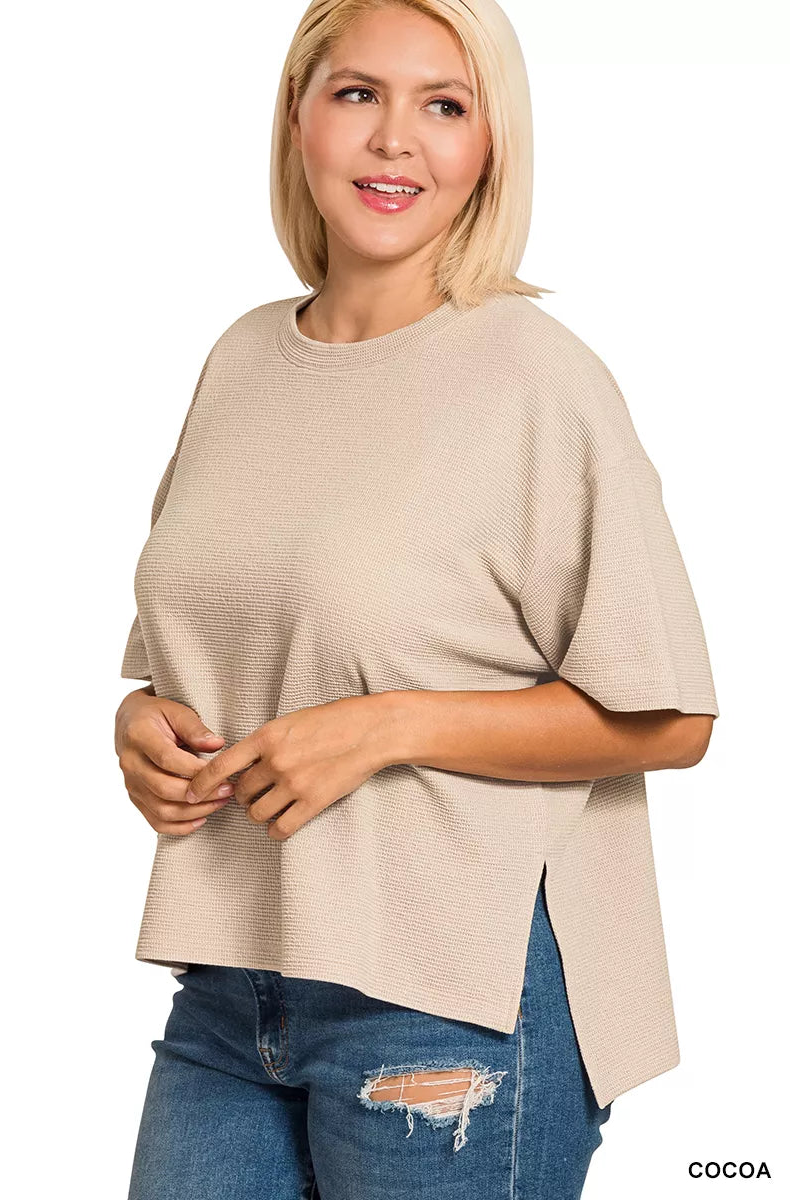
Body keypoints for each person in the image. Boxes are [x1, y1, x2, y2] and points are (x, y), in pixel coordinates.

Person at [116, 2, 719, 1196]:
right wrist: (143, 726)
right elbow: (201, 650)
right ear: (298, 116)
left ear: (488, 147)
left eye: (443, 104)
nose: (394, 138)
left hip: (451, 991)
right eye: (357, 93)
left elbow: (672, 718)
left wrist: (385, 726)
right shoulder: (243, 358)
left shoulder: (536, 379)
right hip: (232, 981)